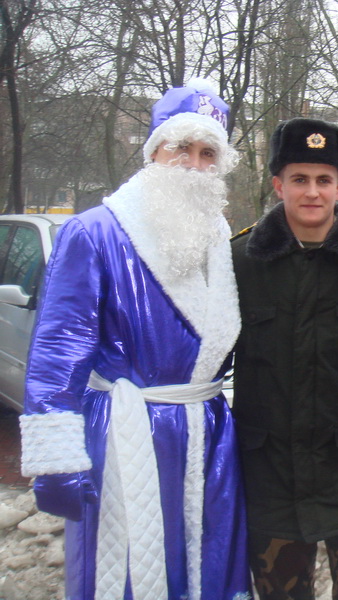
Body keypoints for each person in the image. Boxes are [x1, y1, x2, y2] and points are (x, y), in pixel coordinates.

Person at [19, 79, 252, 600]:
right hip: (127, 435)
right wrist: (56, 458)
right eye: (181, 148)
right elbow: (59, 348)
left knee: (207, 570)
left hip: (208, 433)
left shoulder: (219, 236)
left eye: (208, 153)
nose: (194, 164)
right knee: (126, 572)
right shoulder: (94, 232)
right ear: (152, 153)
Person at [231, 117, 338, 600]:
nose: (311, 192)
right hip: (270, 477)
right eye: (299, 179)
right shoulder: (240, 261)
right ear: (277, 184)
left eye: (324, 180)